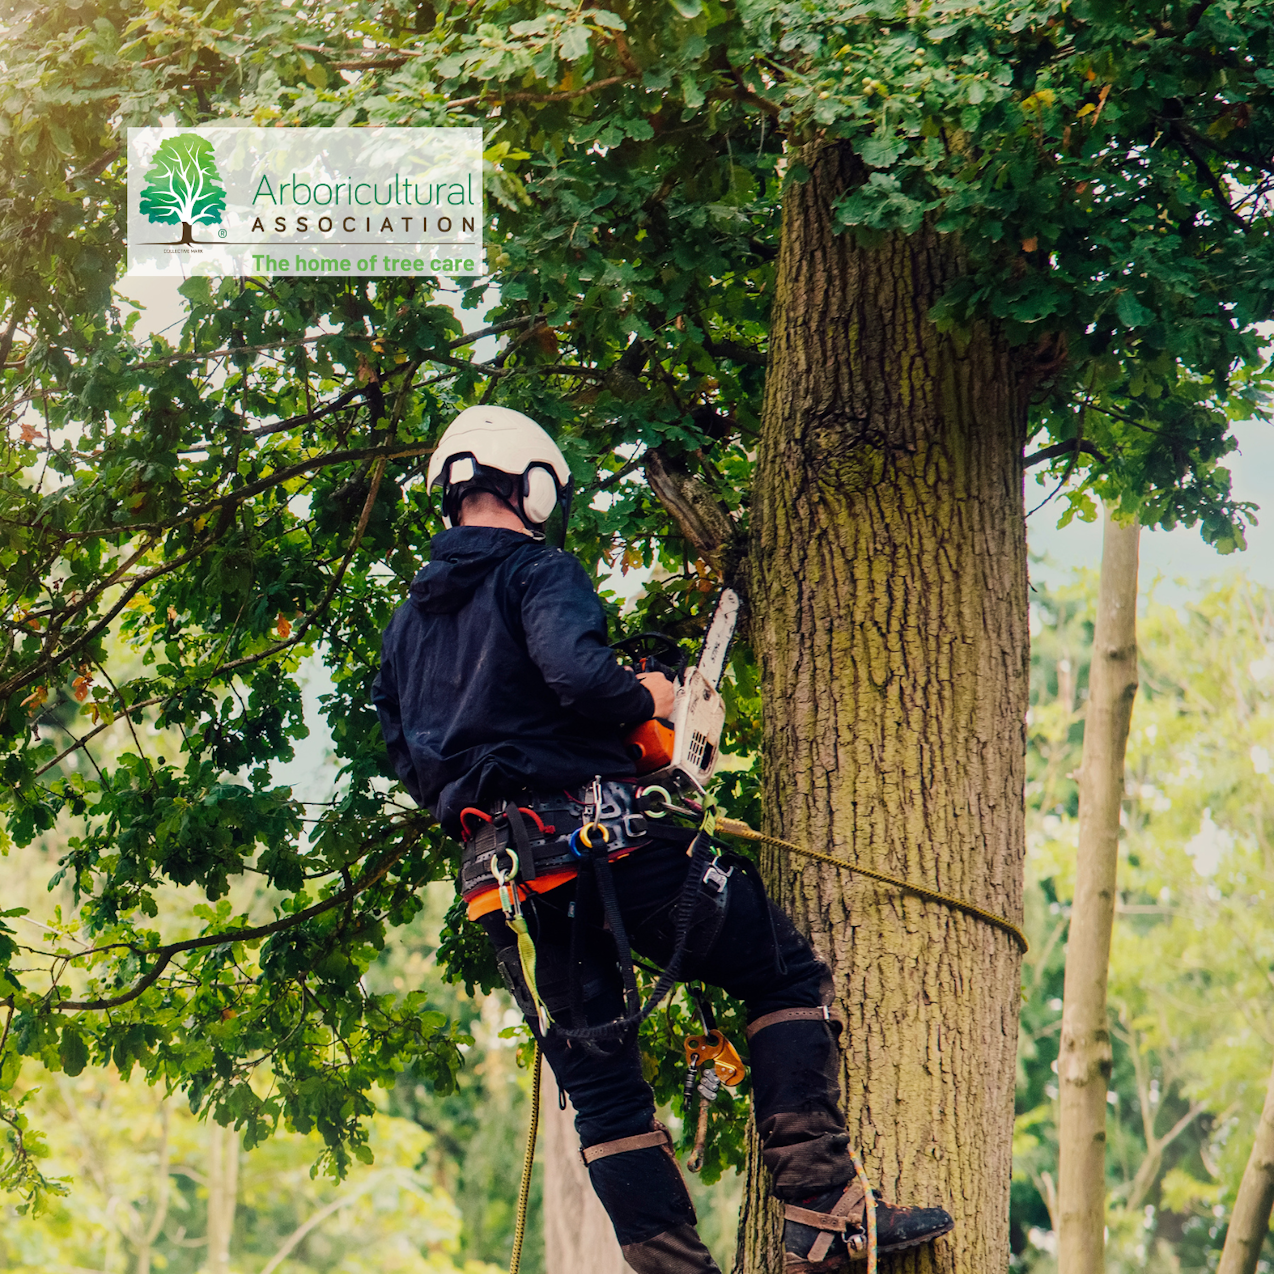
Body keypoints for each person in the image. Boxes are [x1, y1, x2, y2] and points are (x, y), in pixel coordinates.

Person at [372, 406, 953, 1272]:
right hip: (614, 845)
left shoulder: (406, 628)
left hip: (513, 877)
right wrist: (654, 697)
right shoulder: (538, 571)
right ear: (530, 487)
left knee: (602, 1088)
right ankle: (827, 1215)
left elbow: (406, 757)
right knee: (780, 971)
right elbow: (575, 672)